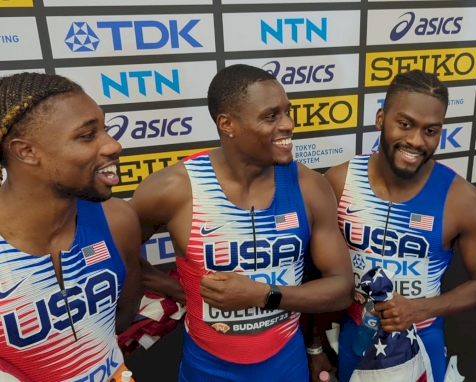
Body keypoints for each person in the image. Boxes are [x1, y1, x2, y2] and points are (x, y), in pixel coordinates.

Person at [129, 64, 354, 382]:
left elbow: (341, 288)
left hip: (285, 368)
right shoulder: (173, 189)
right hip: (206, 369)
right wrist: (176, 288)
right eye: (271, 116)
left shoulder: (309, 187)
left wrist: (265, 295)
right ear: (227, 124)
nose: (288, 124)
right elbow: (119, 255)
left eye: (287, 112)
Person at [311, 70, 476, 382]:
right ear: (381, 118)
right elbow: (318, 275)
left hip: (421, 339)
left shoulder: (461, 199)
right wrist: (315, 346)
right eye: (405, 124)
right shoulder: (340, 181)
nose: (416, 141)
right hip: (354, 337)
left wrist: (419, 310)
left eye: (431, 131)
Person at [0, 72, 142, 381]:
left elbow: (123, 318)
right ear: (26, 151)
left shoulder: (117, 220)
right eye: (87, 135)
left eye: (104, 129)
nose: (113, 145)